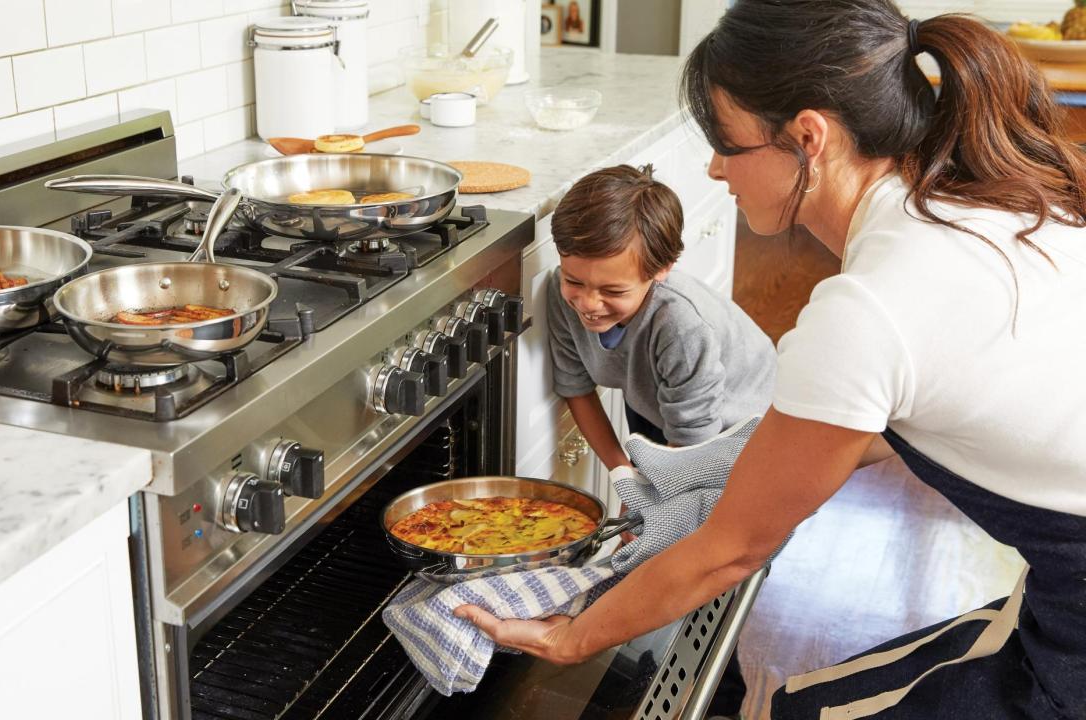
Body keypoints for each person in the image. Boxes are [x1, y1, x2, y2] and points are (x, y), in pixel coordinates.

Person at [456, 1, 1086, 718]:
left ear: (808, 137)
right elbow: (895, 425)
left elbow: (732, 548)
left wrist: (570, 640)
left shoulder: (871, 307)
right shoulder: (971, 200)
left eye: (727, 143)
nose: (716, 169)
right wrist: (726, 463)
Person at [545, 164, 777, 718]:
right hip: (661, 410)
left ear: (662, 272)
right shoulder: (563, 296)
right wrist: (625, 477)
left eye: (612, 290)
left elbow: (692, 464)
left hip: (734, 435)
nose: (588, 303)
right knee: (652, 549)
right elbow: (577, 388)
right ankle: (646, 657)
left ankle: (720, 701)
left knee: (707, 574)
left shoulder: (681, 325)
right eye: (575, 280)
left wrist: (658, 525)